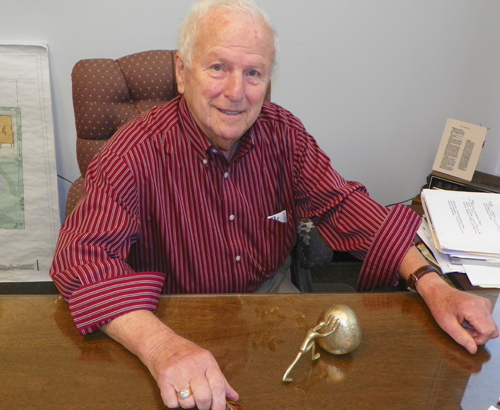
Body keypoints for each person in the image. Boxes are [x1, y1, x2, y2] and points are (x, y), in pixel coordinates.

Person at [50, 0, 498, 409]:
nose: (236, 91)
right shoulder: (134, 151)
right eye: (218, 67)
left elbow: (344, 206)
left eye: (253, 73)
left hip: (270, 307)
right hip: (173, 311)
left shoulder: (284, 134)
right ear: (182, 71)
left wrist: (434, 285)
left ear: (269, 79)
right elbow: (81, 259)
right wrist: (163, 345)